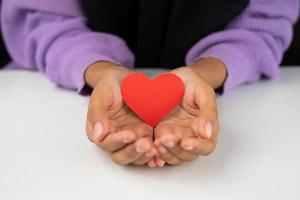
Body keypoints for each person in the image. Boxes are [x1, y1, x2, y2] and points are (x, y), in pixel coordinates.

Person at [1, 0, 299, 167]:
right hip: (38, 100)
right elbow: (40, 17)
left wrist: (206, 73)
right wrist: (100, 71)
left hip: (266, 98)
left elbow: (266, 19)